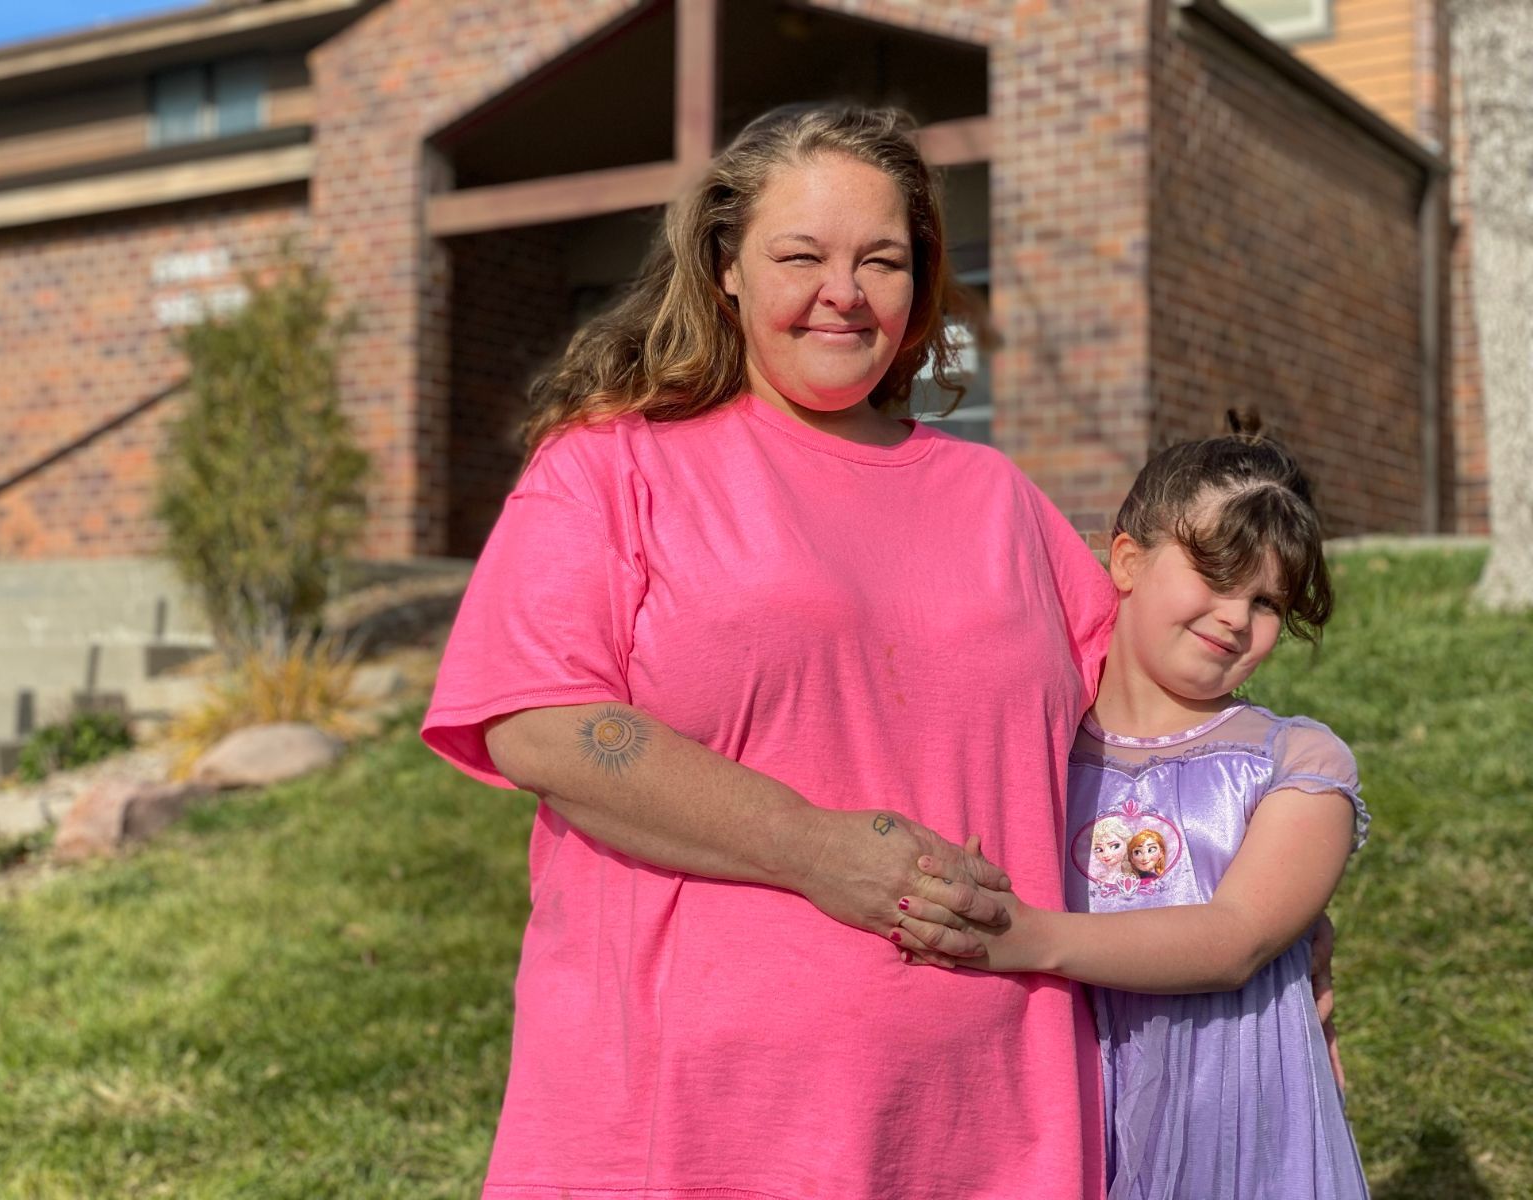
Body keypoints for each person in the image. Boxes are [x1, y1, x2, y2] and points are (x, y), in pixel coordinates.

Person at [421, 103, 1118, 1198]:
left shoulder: (1000, 501)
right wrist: (815, 850)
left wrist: (1251, 911)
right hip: (688, 1130)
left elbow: (1140, 745)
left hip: (988, 1126)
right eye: (801, 255)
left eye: (880, 259)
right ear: (726, 267)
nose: (842, 291)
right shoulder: (609, 470)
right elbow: (543, 725)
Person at [898, 430, 1370, 1199]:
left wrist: (1029, 937)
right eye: (1215, 574)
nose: (1236, 616)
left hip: (1236, 1132)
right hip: (1058, 1113)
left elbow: (1234, 940)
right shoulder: (1032, 753)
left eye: (1266, 601)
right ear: (1125, 560)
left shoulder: (1299, 763)